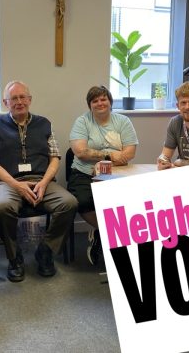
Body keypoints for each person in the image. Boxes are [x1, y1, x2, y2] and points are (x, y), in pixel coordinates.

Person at [0, 80, 78, 282]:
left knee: (69, 203)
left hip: (40, 180)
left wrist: (44, 182)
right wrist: (16, 185)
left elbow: (55, 157)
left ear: (30, 99)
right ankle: (14, 257)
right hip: (5, 182)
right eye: (13, 98)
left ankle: (46, 251)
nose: (19, 102)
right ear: (5, 102)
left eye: (22, 97)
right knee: (2, 206)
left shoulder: (44, 123)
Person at [68, 85, 138, 265]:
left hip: (117, 172)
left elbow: (129, 153)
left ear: (110, 101)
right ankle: (110, 235)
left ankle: (102, 235)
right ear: (89, 105)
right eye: (95, 100)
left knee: (128, 202)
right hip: (83, 172)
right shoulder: (82, 121)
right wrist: (107, 155)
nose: (100, 103)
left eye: (103, 99)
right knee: (83, 201)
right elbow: (80, 152)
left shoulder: (123, 121)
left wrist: (107, 163)